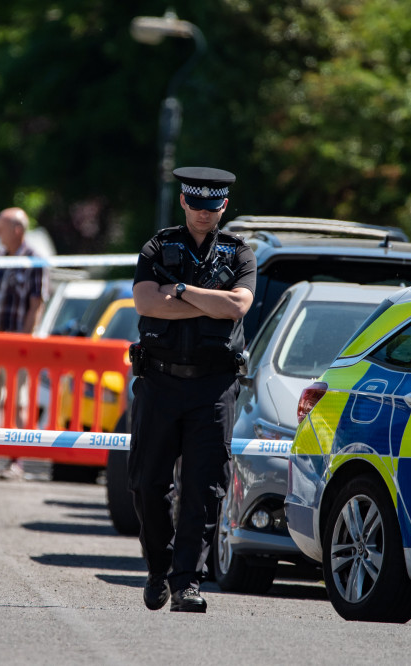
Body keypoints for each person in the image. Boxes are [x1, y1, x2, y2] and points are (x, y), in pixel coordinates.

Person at [128, 166, 257, 613]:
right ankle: (159, 569)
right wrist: (208, 303)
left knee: (203, 489)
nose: (204, 213)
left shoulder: (240, 253)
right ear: (184, 201)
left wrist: (180, 290)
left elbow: (238, 306)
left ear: (224, 205)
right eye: (197, 204)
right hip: (160, 380)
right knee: (148, 485)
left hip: (213, 387)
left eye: (213, 206)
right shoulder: (158, 246)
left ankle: (187, 583)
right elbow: (145, 302)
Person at [0, 207, 50, 480]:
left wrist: (23, 339)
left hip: (16, 340)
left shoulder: (35, 261)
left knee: (17, 402)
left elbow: (36, 305)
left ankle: (14, 460)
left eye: (2, 227)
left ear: (17, 230)